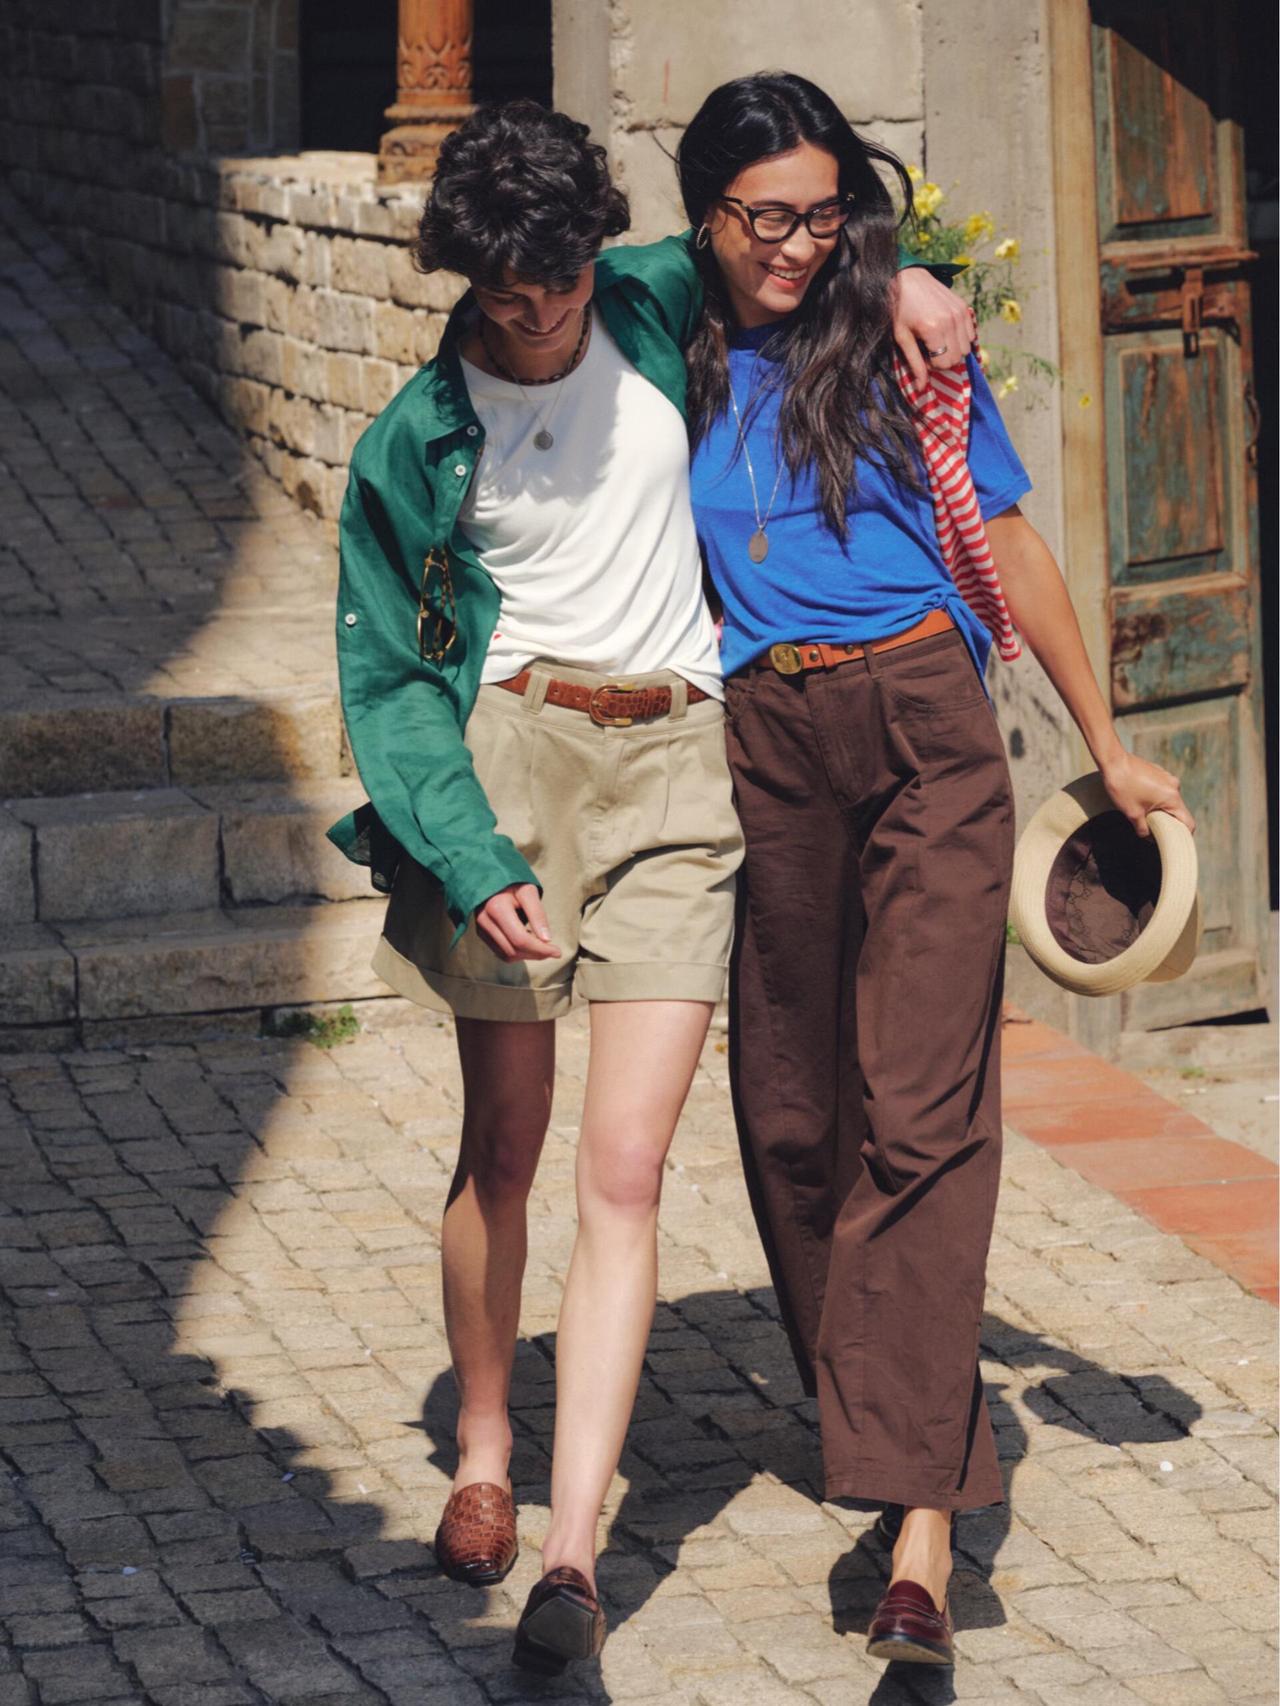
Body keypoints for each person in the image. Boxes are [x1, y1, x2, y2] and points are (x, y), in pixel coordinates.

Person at [327, 98, 971, 1674]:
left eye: (558, 281)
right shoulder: (417, 441)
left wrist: (901, 274)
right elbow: (391, 684)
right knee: (506, 1146)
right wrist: (468, 856)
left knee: (625, 1167)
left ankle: (571, 1554)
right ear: (467, 276)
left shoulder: (648, 291)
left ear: (592, 253)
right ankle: (484, 1443)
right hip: (513, 775)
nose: (540, 314)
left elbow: (786, 236)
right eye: (506, 294)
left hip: (682, 767)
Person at [670, 73, 1194, 1668]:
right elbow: (570, 271)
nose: (797, 244)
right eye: (766, 216)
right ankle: (883, 1400)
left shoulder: (896, 346)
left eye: (826, 214)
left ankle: (918, 1531)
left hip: (923, 725)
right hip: (764, 738)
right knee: (790, 1107)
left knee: (922, 1104)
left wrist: (1106, 742)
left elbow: (1012, 542)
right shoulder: (665, 339)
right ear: (704, 216)